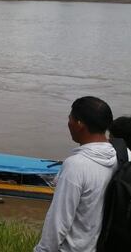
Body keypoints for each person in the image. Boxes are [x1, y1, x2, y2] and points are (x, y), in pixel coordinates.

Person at [35, 96, 124, 252]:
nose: (68, 123)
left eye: (70, 118)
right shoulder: (119, 156)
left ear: (79, 124)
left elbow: (58, 223)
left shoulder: (76, 166)